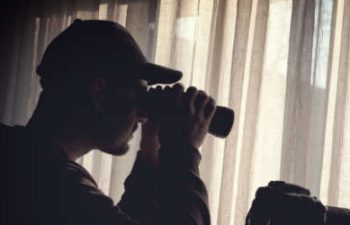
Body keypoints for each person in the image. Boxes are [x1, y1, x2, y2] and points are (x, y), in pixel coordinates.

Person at [0, 19, 216, 225]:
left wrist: (150, 154)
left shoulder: (21, 157)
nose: (143, 116)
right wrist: (182, 151)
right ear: (99, 93)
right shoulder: (57, 183)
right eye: (139, 97)